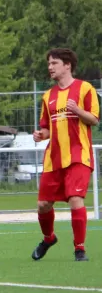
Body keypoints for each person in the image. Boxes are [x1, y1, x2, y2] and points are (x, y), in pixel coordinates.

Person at [31, 48, 99, 262]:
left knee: (76, 199)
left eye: (54, 63)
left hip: (79, 156)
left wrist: (78, 111)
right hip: (54, 158)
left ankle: (80, 249)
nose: (50, 67)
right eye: (49, 63)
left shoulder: (85, 88)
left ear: (67, 65)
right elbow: (47, 128)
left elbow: (94, 119)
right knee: (43, 205)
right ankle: (49, 238)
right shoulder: (48, 96)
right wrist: (40, 135)